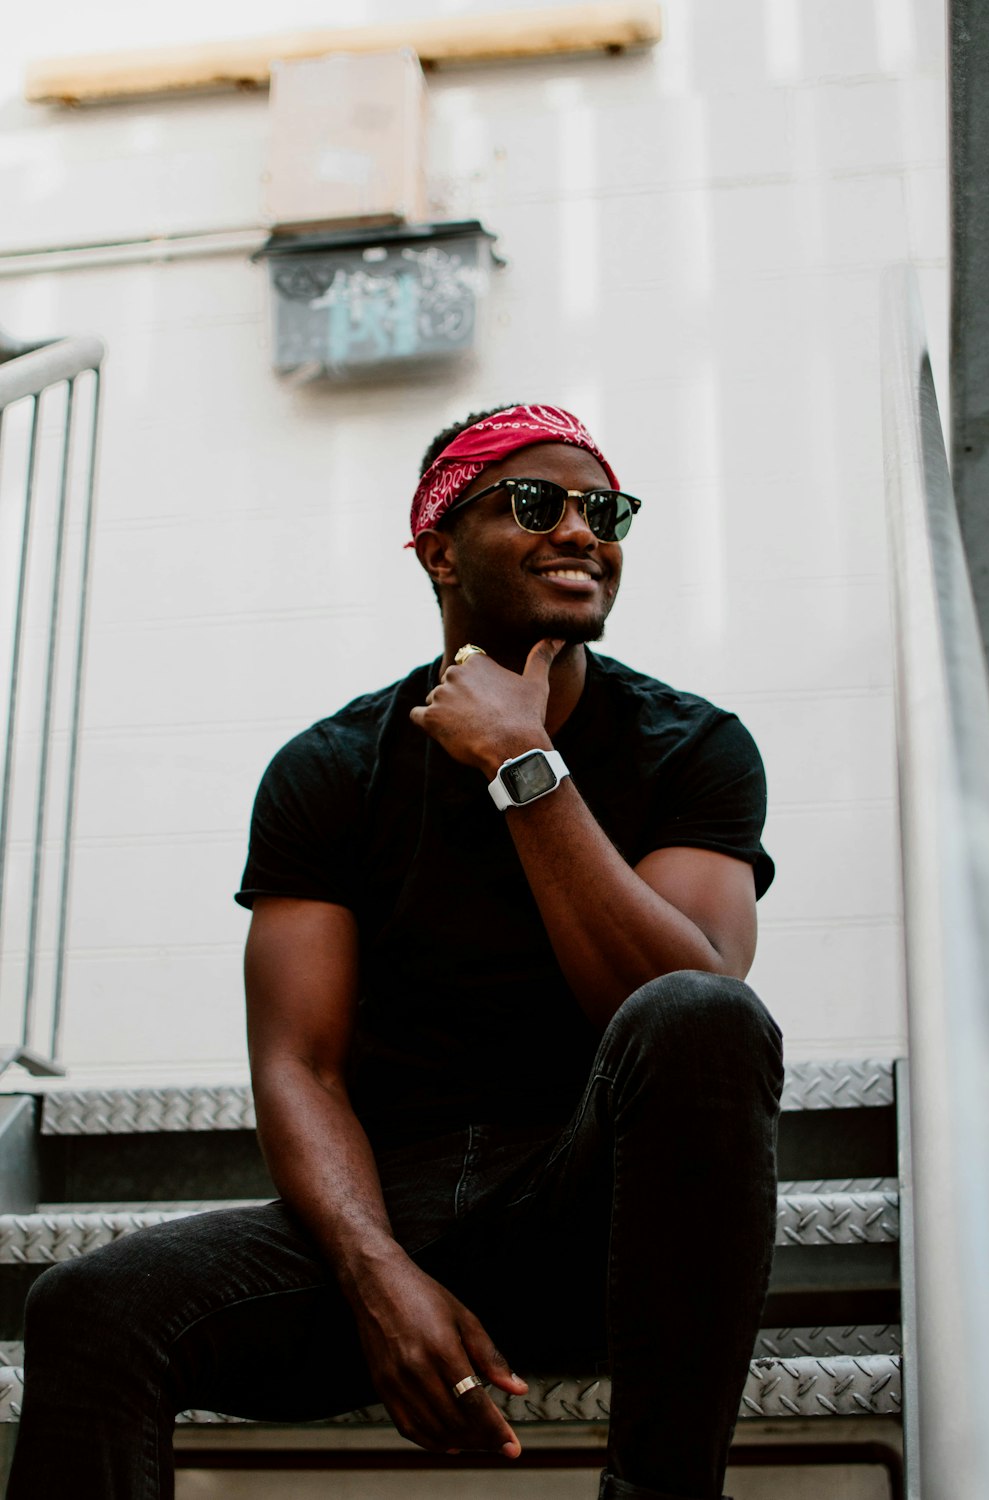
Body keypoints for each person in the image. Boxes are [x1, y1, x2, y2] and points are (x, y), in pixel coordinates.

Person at [9, 403, 783, 1500]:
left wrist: (524, 764)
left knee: (703, 1015)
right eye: (533, 502)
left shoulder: (692, 747)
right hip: (388, 1218)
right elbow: (299, 1065)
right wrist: (378, 1275)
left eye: (602, 510)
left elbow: (678, 995)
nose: (579, 530)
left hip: (600, 1229)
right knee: (87, 1305)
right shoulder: (328, 770)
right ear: (436, 548)